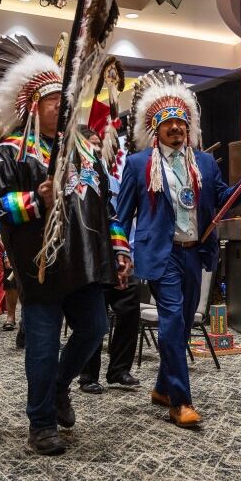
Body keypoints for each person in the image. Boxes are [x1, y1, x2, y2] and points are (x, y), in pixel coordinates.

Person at [0, 35, 125, 455]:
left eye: (64, 101)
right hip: (41, 267)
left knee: (94, 330)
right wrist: (35, 201)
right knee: (41, 345)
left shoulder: (86, 151)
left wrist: (120, 249)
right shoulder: (11, 152)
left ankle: (58, 387)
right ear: (34, 106)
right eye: (53, 101)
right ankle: (41, 423)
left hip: (86, 264)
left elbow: (107, 205)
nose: (61, 107)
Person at [117, 70, 241, 427]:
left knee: (180, 327)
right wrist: (120, 251)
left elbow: (223, 201)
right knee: (171, 322)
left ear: (188, 127)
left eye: (181, 123)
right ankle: (180, 402)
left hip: (195, 252)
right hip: (161, 254)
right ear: (156, 130)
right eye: (169, 125)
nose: (176, 129)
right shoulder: (138, 165)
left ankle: (163, 386)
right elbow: (120, 217)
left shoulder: (206, 164)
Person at [78, 129, 141, 394]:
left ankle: (119, 369)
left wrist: (124, 252)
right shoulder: (76, 177)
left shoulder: (111, 180)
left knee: (129, 306)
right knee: (95, 317)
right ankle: (88, 376)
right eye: (89, 145)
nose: (94, 150)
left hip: (114, 255)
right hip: (88, 260)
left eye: (96, 145)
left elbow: (115, 216)